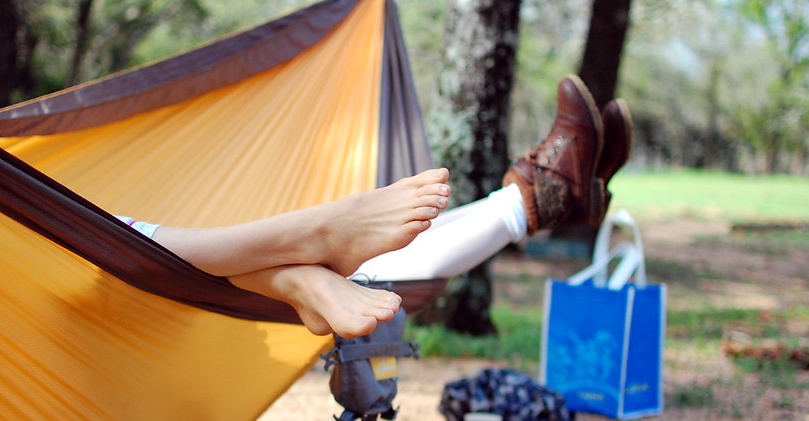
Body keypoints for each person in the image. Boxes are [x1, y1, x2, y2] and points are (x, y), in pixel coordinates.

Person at [119, 75, 632, 339]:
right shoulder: (64, 235)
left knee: (129, 237)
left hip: (108, 241)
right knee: (121, 241)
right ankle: (309, 255)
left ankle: (541, 198)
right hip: (91, 257)